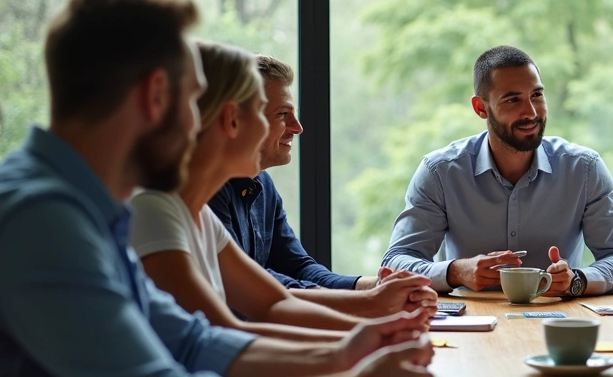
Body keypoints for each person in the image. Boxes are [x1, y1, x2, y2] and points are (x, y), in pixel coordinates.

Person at [0, 0, 434, 377]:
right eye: (193, 99)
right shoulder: (40, 218)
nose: (203, 122)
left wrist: (346, 351)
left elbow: (194, 342)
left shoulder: (84, 207)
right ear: (156, 96)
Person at [129, 41, 435, 341]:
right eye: (275, 116)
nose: (298, 128)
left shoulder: (202, 216)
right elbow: (219, 339)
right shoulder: (155, 210)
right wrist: (362, 337)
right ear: (230, 120)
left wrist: (375, 303)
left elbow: (273, 302)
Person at [381, 45, 613, 297]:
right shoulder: (440, 172)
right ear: (480, 108)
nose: (530, 112)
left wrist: (577, 281)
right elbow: (394, 263)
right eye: (512, 99)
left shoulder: (584, 169)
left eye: (536, 96)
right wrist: (456, 272)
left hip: (557, 320)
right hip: (470, 329)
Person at [208, 55, 424, 317]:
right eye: (282, 115)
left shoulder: (262, 183)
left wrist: (371, 286)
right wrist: (366, 302)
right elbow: (251, 285)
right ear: (234, 120)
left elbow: (298, 267)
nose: (297, 128)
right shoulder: (207, 191)